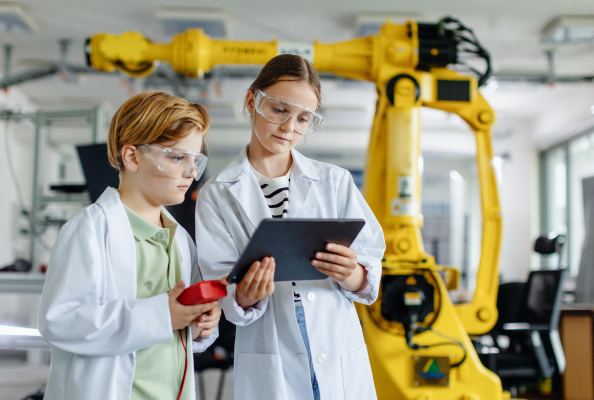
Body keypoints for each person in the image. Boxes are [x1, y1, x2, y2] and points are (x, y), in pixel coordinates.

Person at [195, 54, 386, 400]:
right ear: (253, 100)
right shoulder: (217, 194)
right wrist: (245, 296)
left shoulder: (334, 181)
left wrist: (352, 273)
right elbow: (221, 282)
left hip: (336, 345)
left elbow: (370, 259)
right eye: (280, 110)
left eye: (303, 119)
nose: (289, 128)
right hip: (271, 349)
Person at [38, 91, 222, 400]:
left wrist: (200, 324)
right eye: (177, 157)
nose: (191, 172)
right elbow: (60, 321)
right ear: (132, 157)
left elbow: (175, 335)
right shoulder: (90, 230)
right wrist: (162, 315)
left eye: (195, 160)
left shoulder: (180, 240)